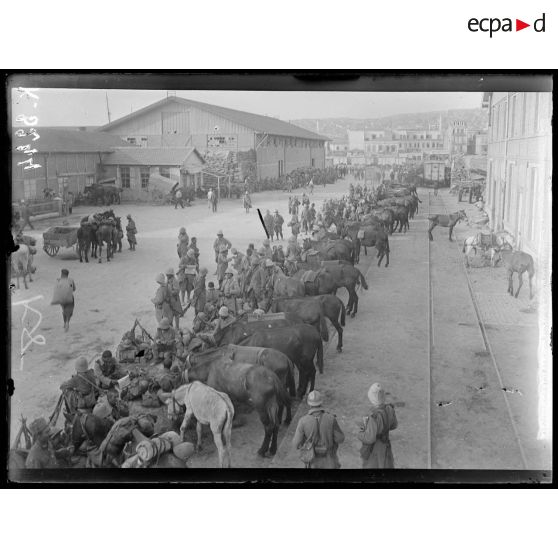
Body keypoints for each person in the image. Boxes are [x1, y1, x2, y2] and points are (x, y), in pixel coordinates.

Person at [292, 390, 345, 469]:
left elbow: (296, 444)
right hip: (329, 460)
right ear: (321, 403)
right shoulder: (331, 418)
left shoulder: (303, 421)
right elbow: (340, 439)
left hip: (312, 460)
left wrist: (306, 442)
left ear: (309, 404)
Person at [357, 383, 398, 468]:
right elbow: (394, 425)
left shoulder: (374, 417)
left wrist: (361, 433)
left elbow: (370, 438)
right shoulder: (389, 409)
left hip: (375, 449)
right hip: (386, 446)